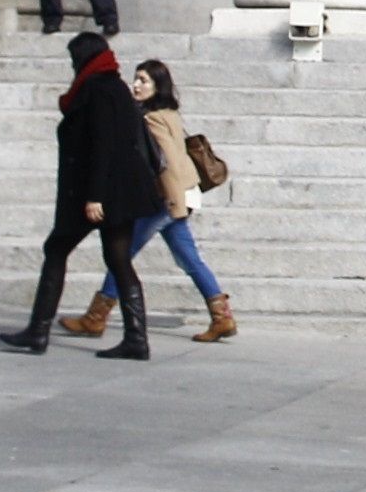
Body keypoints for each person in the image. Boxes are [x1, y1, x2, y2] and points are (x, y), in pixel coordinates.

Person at [0, 31, 163, 360]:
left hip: (97, 192)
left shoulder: (97, 90)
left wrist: (95, 197)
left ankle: (38, 331)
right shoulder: (114, 87)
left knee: (56, 249)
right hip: (120, 191)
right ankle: (136, 338)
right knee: (117, 260)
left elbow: (103, 146)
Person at [60, 57, 236, 344]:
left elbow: (168, 164)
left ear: (157, 86)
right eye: (136, 79)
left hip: (168, 198)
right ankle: (222, 316)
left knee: (122, 253)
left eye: (144, 80)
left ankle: (96, 317)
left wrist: (174, 203)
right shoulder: (168, 113)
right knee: (189, 258)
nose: (136, 85)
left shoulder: (152, 118)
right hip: (181, 195)